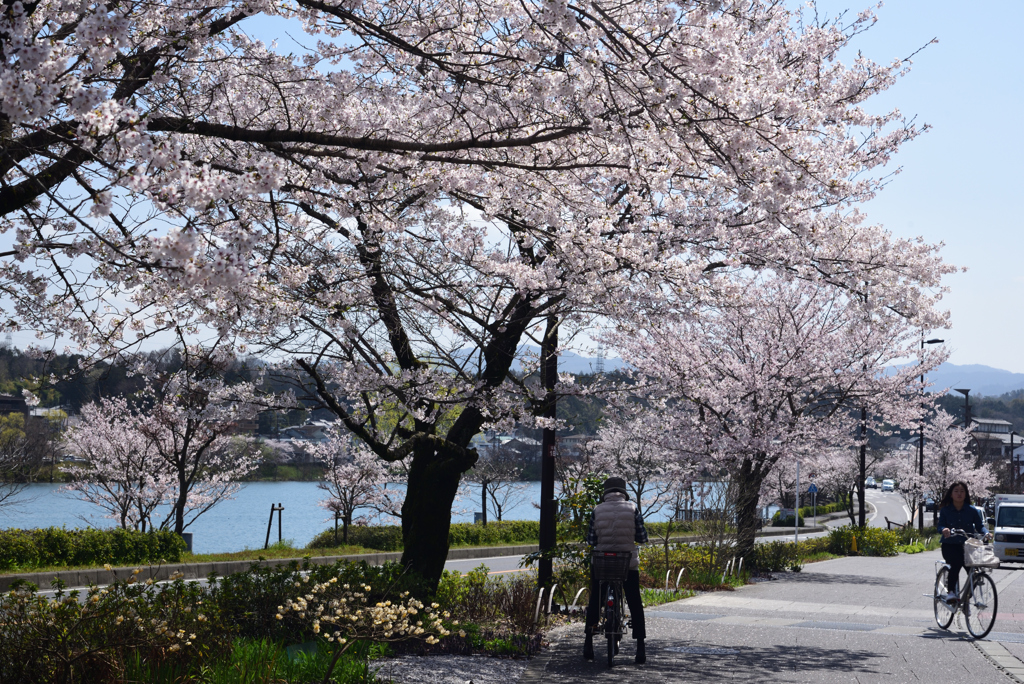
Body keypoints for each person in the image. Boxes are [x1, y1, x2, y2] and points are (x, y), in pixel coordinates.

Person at [583, 476, 648, 664]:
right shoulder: (633, 508)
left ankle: (588, 642)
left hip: (602, 563)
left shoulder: (597, 510)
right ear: (623, 492)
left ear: (606, 493)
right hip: (626, 564)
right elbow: (642, 536)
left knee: (596, 599)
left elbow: (591, 540)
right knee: (635, 600)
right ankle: (641, 648)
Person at [937, 481, 988, 601]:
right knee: (956, 564)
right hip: (949, 545)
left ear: (966, 494)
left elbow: (980, 526)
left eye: (962, 491)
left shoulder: (972, 510)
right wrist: (944, 529)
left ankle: (966, 599)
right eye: (956, 491)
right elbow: (940, 526)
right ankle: (950, 592)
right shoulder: (945, 510)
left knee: (975, 573)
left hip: (967, 546)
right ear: (951, 494)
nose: (959, 494)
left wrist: (986, 533)